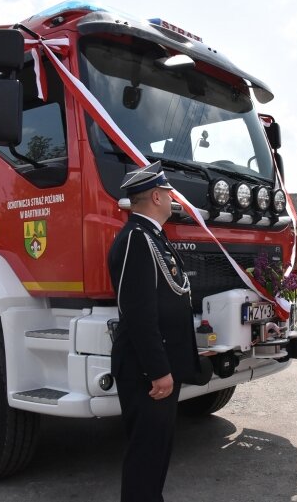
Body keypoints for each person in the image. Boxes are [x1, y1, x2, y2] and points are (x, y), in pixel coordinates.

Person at [108, 161, 200, 502]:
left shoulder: (152, 237)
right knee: (145, 459)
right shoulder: (136, 239)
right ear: (157, 196)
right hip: (147, 372)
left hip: (160, 370)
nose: (172, 200)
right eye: (168, 193)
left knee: (156, 456)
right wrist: (158, 370)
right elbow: (138, 312)